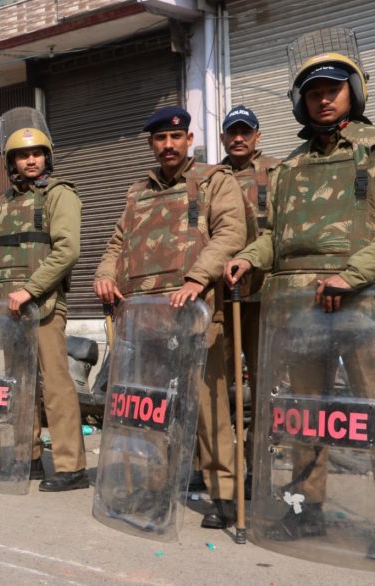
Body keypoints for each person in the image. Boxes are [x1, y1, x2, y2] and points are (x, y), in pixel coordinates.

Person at [225, 35, 375, 547]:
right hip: (299, 306)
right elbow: (275, 235)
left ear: (353, 93)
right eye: (314, 92)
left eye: (334, 89)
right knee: (307, 413)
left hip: (363, 302)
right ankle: (305, 506)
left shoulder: (372, 153)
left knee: (370, 408)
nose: (324, 99)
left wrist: (350, 276)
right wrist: (249, 256)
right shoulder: (288, 168)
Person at [94, 106, 248, 523]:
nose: (168, 145)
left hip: (195, 315)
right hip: (145, 320)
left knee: (209, 408)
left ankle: (225, 495)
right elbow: (115, 246)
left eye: (175, 138)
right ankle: (154, 488)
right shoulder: (136, 191)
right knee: (152, 411)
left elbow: (232, 233)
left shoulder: (216, 181)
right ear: (151, 144)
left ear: (188, 140)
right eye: (160, 138)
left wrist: (198, 278)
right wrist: (105, 275)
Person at [0, 115, 87, 491]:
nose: (31, 160)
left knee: (55, 386)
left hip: (43, 307)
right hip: (9, 312)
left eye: (37, 153)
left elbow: (67, 250)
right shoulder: (5, 203)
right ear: (12, 163)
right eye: (23, 156)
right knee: (19, 388)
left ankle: (71, 467)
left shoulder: (60, 194)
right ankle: (31, 458)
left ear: (47, 157)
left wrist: (30, 290)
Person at [219, 105, 281, 495]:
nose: (239, 138)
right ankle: (217, 467)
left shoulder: (277, 173)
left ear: (257, 136)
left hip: (263, 291)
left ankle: (259, 468)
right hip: (221, 293)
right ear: (224, 137)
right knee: (216, 382)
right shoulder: (210, 177)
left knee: (264, 384)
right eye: (232, 132)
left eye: (246, 131)